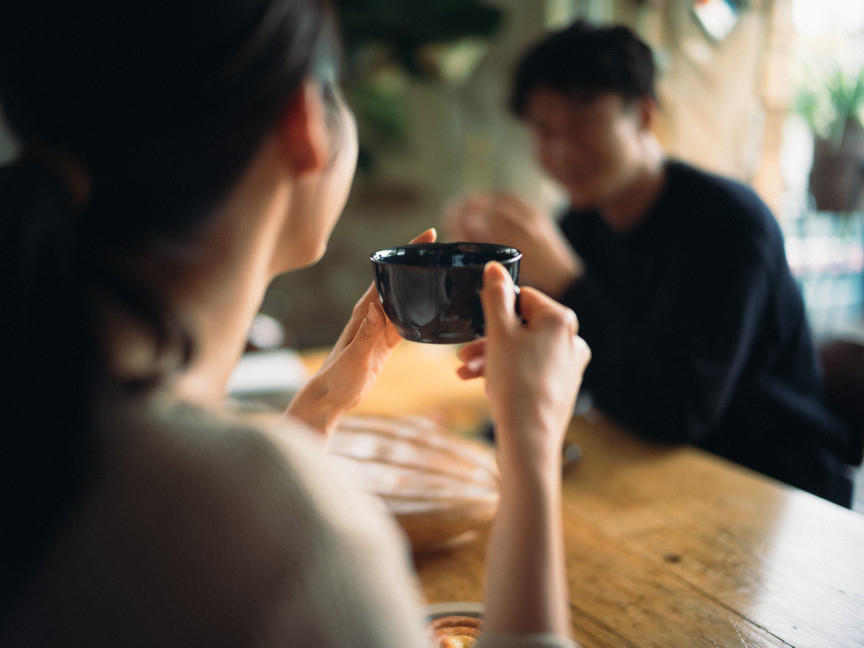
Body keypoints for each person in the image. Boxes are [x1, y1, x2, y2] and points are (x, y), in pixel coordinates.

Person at [0, 1, 591, 645]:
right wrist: (531, 443)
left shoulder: (46, 408)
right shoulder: (295, 538)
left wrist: (318, 411)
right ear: (303, 119)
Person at [444, 19, 854, 506]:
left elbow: (675, 412)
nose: (560, 151)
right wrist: (485, 274)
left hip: (770, 483)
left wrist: (565, 279)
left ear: (643, 115)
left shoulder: (730, 226)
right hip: (651, 468)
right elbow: (556, 357)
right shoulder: (583, 224)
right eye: (544, 130)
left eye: (579, 125)